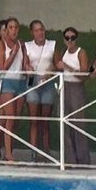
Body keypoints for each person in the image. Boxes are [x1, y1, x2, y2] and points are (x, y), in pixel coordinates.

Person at [0, 17, 27, 161]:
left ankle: (9, 150)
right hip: (7, 81)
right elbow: (2, 67)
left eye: (16, 27)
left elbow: (25, 65)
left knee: (15, 119)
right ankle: (7, 154)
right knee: (9, 117)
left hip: (20, 81)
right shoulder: (1, 45)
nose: (14, 30)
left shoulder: (22, 44)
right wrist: (14, 53)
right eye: (11, 27)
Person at [58, 26, 91, 166]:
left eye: (72, 37)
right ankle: (69, 158)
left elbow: (84, 75)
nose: (70, 40)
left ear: (76, 39)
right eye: (67, 38)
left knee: (78, 123)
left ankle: (82, 159)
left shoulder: (80, 52)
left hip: (76, 88)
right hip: (65, 86)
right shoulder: (64, 52)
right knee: (65, 122)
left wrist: (67, 67)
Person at [22, 19, 56, 155]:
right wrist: (27, 67)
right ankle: (34, 150)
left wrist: (50, 71)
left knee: (45, 120)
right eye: (36, 30)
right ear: (32, 33)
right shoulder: (28, 46)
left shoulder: (52, 44)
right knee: (34, 120)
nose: (40, 32)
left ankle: (46, 150)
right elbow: (25, 62)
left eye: (41, 29)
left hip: (47, 80)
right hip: (33, 80)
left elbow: (56, 62)